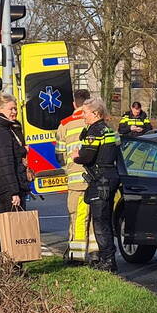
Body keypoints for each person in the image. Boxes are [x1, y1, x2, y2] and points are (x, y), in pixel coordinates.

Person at [72, 98, 121, 271]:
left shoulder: (95, 131)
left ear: (95, 113)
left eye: (85, 112)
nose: (83, 116)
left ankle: (108, 261)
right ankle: (107, 258)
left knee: (100, 222)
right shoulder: (110, 130)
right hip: (110, 177)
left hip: (100, 180)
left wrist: (76, 156)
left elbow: (87, 156)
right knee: (105, 219)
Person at [0, 92, 30, 248]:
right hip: (6, 188)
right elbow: (6, 164)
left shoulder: (3, 128)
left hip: (2, 187)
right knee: (11, 230)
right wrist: (14, 192)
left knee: (2, 227)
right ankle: (13, 266)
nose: (14, 112)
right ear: (0, 109)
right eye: (11, 109)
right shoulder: (1, 132)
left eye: (15, 109)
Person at [56, 88, 96, 263]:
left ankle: (77, 256)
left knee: (77, 217)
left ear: (74, 104)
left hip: (76, 181)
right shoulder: (96, 121)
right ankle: (96, 253)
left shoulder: (65, 124)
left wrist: (69, 168)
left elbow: (59, 154)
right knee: (95, 217)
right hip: (95, 178)